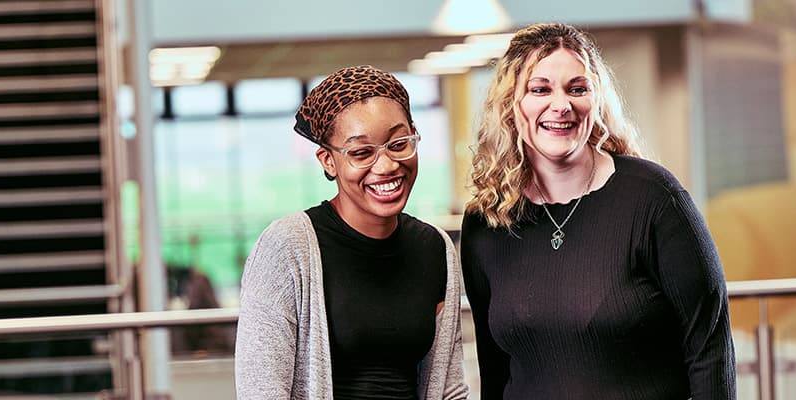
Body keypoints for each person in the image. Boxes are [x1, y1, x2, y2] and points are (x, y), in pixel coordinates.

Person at [460, 23, 736, 399]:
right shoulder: (488, 220)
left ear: (596, 100)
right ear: (511, 105)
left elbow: (710, 349)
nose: (562, 105)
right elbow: (494, 370)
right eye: (540, 89)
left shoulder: (654, 198)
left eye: (578, 89)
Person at [236, 65, 468, 400]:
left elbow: (447, 387)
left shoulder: (434, 247)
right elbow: (261, 391)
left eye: (398, 143)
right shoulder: (287, 247)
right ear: (328, 161)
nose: (387, 165)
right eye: (361, 152)